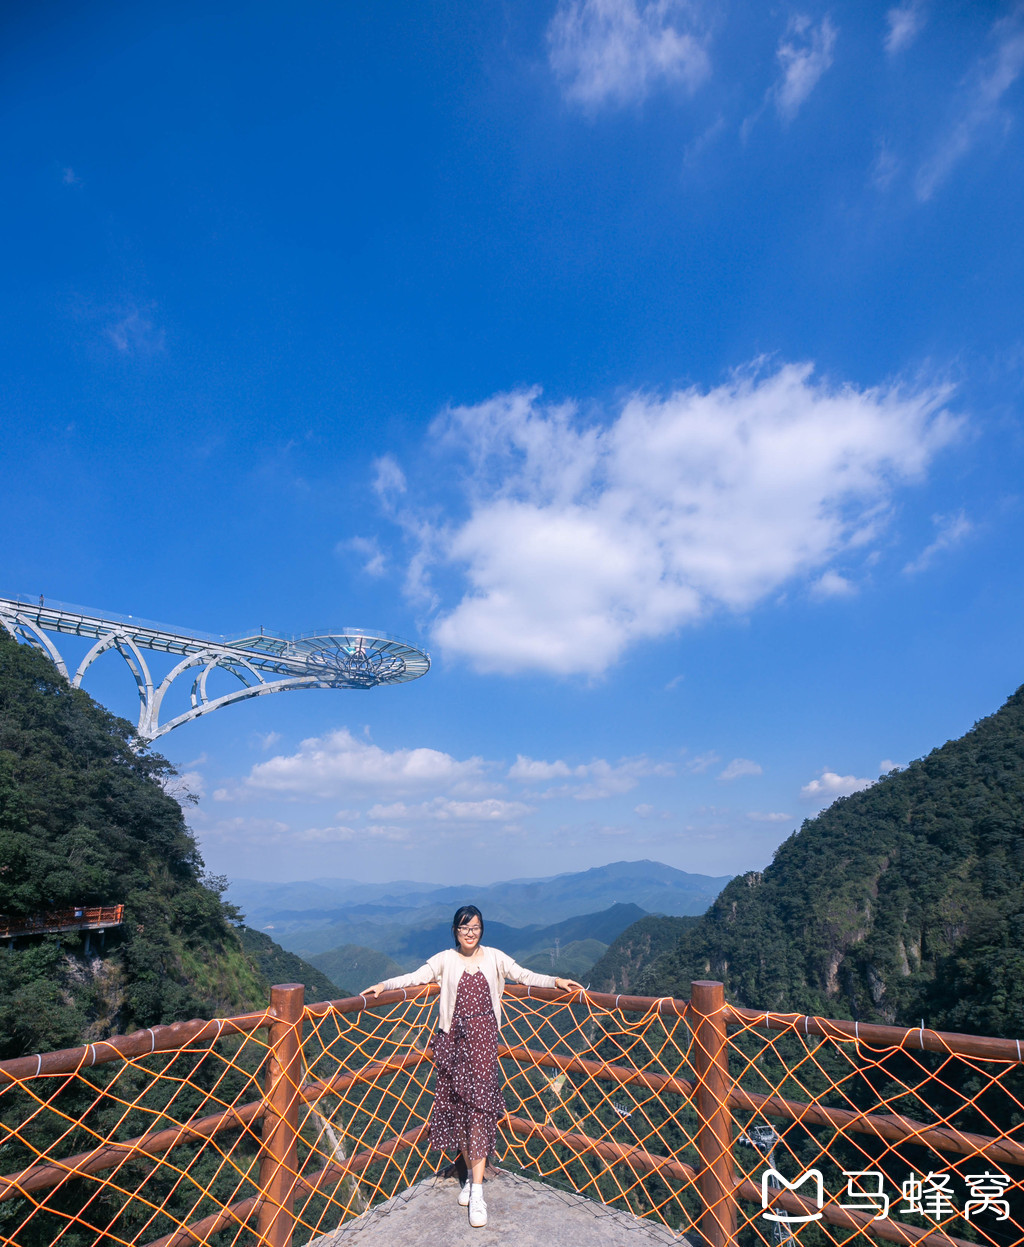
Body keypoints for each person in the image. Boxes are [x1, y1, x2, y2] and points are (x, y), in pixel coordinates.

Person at [362, 905, 583, 1229]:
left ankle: (477, 1191)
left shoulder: (494, 957)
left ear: (482, 930)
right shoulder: (444, 960)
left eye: (476, 928)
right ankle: (469, 1180)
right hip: (452, 1044)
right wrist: (383, 985)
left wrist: (556, 980)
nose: (470, 933)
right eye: (465, 928)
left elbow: (525, 975)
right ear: (455, 930)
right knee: (461, 1112)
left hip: (482, 1046)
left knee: (479, 1112)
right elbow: (414, 978)